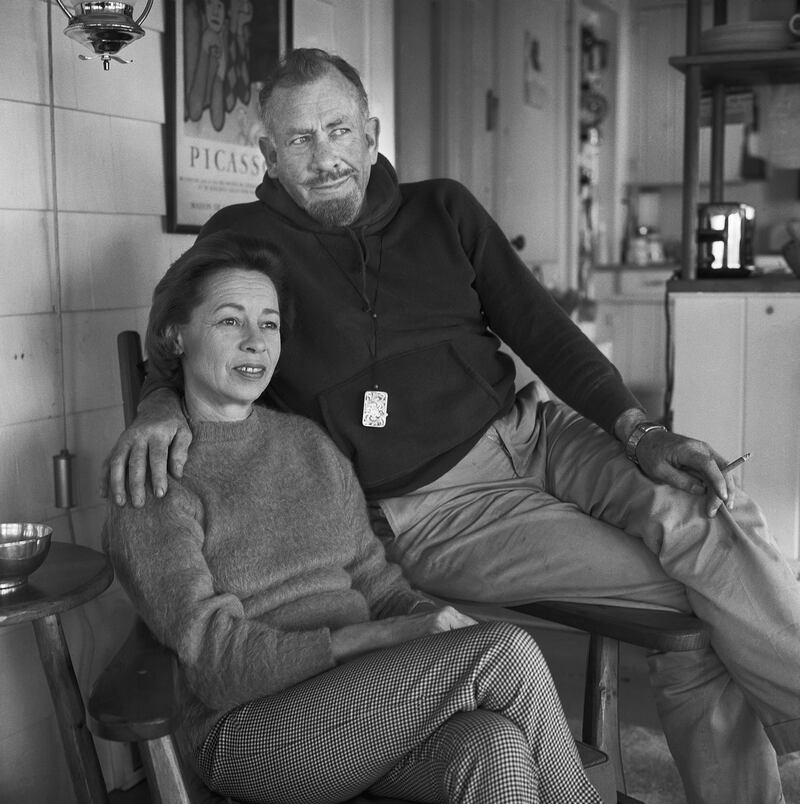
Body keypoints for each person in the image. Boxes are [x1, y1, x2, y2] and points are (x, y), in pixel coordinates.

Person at [105, 48, 800, 804]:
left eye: (338, 130)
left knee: (714, 516)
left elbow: (540, 327)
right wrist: (155, 403)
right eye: (299, 141)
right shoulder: (243, 238)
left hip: (532, 432)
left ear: (370, 133)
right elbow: (181, 331)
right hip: (434, 506)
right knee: (703, 604)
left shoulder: (444, 208)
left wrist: (639, 430)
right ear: (268, 156)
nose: (326, 156)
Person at [104, 231, 602, 804]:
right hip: (252, 731)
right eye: (228, 322)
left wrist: (430, 620)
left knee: (495, 746)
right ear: (175, 336)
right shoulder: (152, 477)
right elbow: (218, 666)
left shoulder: (308, 445)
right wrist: (391, 636)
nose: (254, 343)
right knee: (503, 652)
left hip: (370, 708)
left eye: (268, 324)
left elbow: (376, 583)